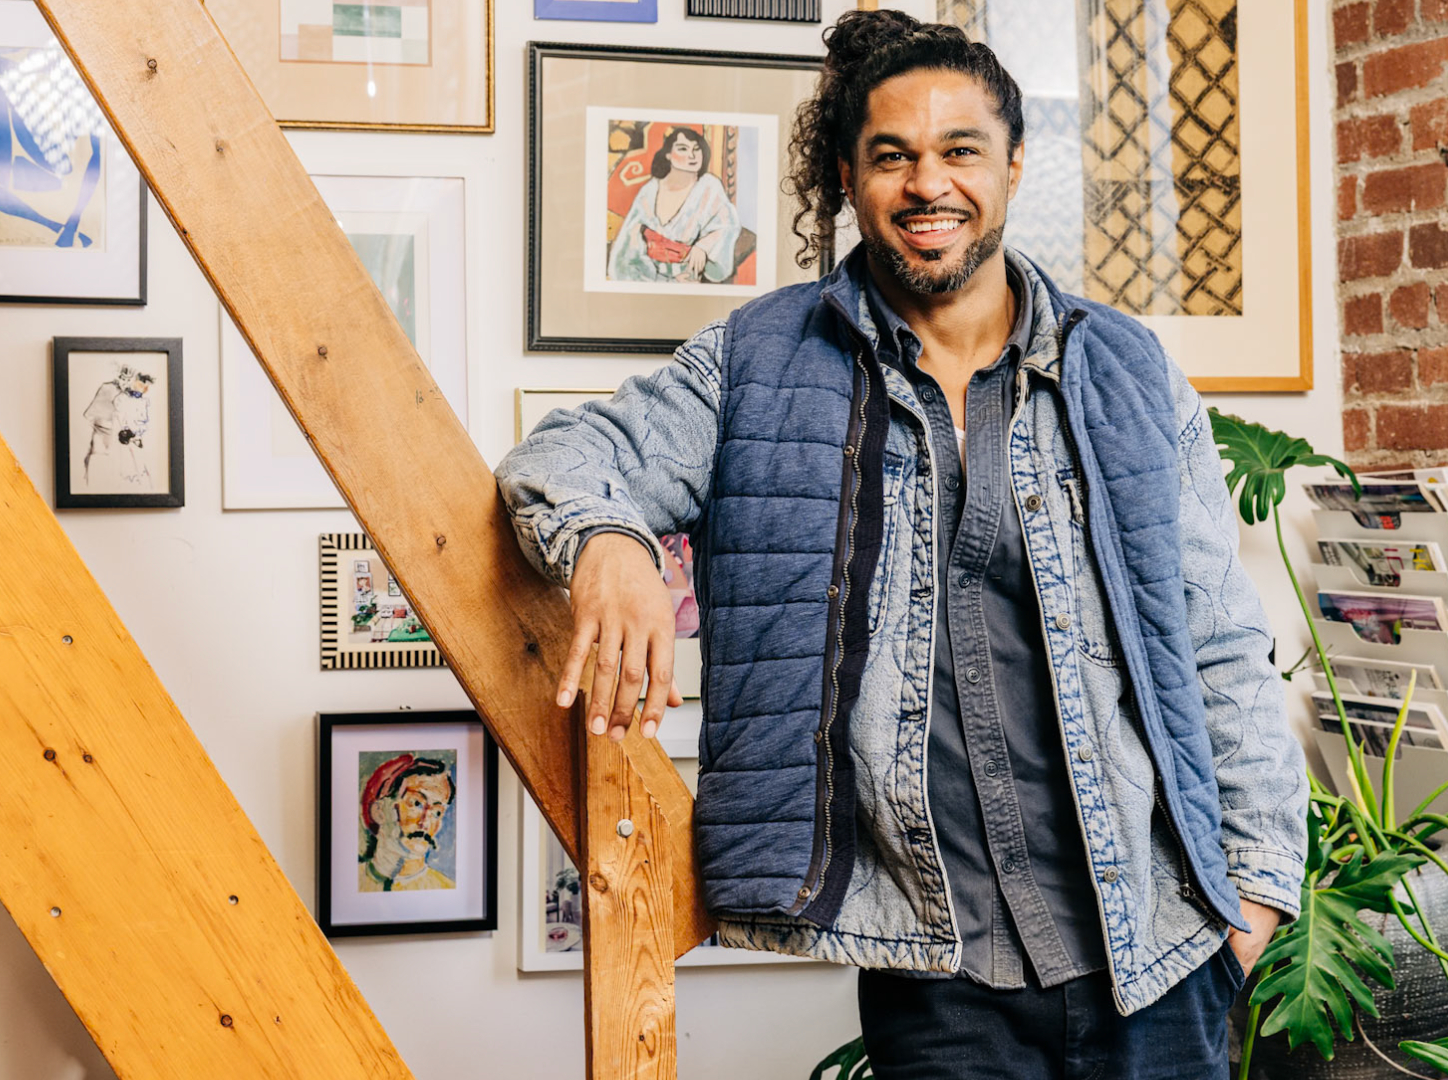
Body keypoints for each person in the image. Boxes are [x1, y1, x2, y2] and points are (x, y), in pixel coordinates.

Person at [494, 12, 1307, 1078]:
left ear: (1013, 164)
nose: (930, 184)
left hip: (1160, 957)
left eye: (961, 150)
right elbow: (562, 456)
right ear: (849, 176)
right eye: (893, 156)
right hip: (941, 986)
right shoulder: (759, 361)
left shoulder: (1129, 369)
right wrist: (610, 544)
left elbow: (1221, 644)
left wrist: (1254, 896)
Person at [606, 126, 743, 285]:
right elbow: (628, 245)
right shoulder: (649, 191)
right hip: (652, 279)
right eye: (683, 149)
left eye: (696, 149)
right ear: (668, 154)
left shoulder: (709, 186)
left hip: (691, 277)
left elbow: (728, 226)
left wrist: (703, 246)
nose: (692, 156)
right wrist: (665, 282)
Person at [357, 754, 456, 892]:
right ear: (379, 811)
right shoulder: (351, 881)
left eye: (437, 813)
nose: (425, 823)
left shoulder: (445, 888)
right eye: (416, 803)